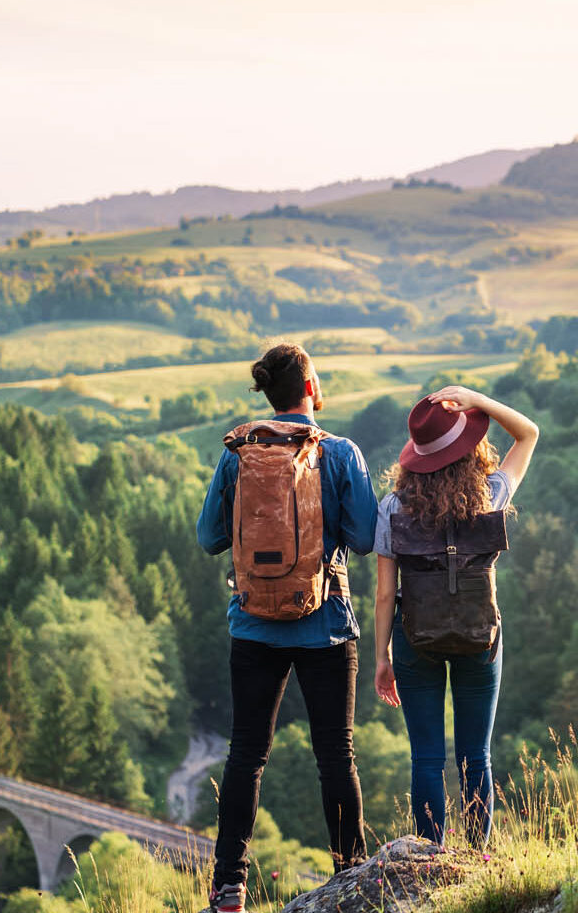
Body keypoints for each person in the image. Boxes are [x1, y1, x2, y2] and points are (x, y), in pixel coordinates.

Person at [196, 343, 378, 913]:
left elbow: (208, 538)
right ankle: (349, 874)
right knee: (336, 753)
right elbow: (368, 539)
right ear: (311, 387)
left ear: (269, 394)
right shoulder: (340, 453)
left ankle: (230, 886)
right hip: (326, 622)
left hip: (253, 625)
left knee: (246, 754)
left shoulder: (237, 455)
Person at [372, 385, 539, 847]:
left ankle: (429, 858)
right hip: (479, 638)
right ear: (469, 451)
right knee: (475, 756)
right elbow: (528, 434)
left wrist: (381, 658)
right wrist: (478, 400)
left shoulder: (393, 508)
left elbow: (386, 594)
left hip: (413, 639)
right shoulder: (491, 494)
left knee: (426, 758)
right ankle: (479, 855)